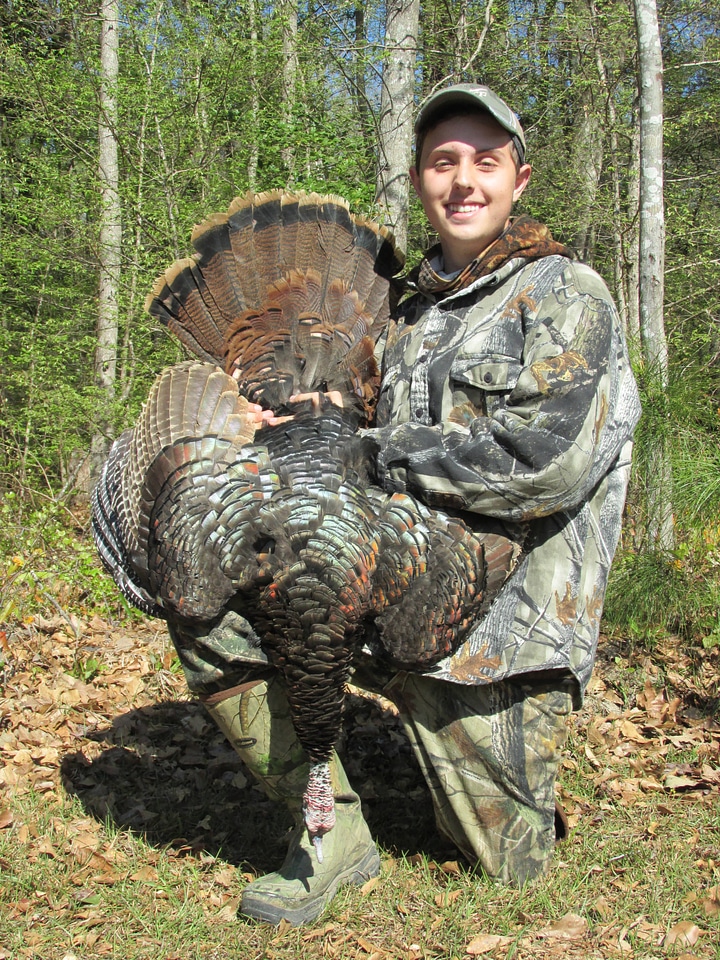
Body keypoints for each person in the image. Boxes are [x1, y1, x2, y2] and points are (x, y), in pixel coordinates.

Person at [171, 83, 641, 925]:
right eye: (443, 162)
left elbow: (546, 465)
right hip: (386, 584)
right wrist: (266, 421)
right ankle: (332, 828)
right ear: (422, 179)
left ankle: (487, 767)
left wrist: (376, 450)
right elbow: (340, 430)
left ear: (519, 179)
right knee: (212, 600)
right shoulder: (405, 316)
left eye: (484, 163)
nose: (464, 181)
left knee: (507, 869)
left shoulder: (566, 295)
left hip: (502, 630)